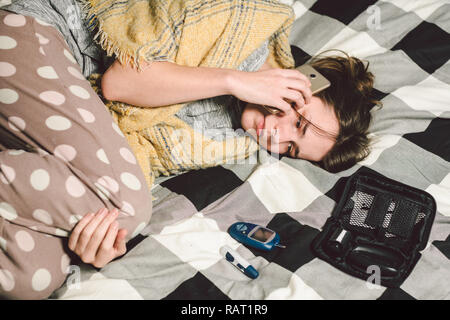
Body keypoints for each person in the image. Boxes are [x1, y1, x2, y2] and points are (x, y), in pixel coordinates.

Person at [101, 50, 379, 173]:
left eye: (291, 148)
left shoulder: (229, 142)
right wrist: (234, 81)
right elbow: (117, 83)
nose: (276, 137)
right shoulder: (244, 35)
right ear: (303, 79)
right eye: (297, 120)